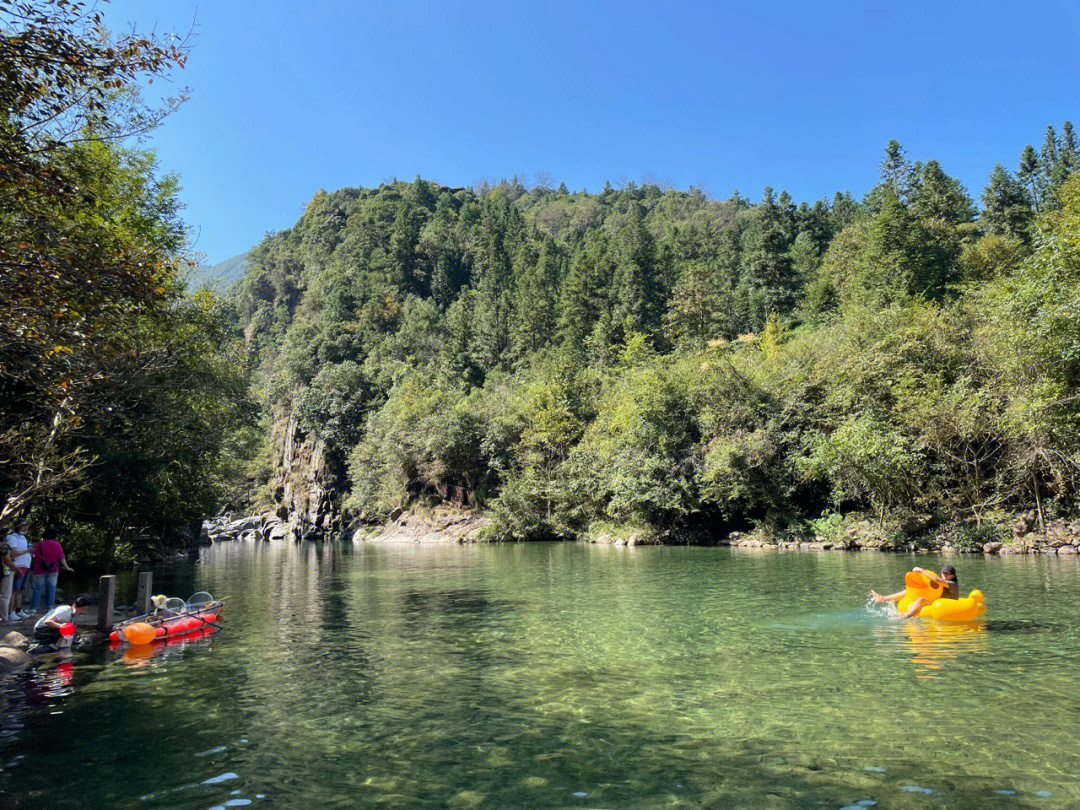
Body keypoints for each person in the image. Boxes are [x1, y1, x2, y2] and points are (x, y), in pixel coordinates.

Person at [871, 565, 960, 619]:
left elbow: (936, 579)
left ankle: (906, 616)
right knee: (910, 591)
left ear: (953, 575)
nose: (944, 575)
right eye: (943, 573)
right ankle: (883, 598)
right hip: (939, 603)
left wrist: (921, 570)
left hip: (948, 606)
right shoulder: (943, 582)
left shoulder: (952, 583)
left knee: (921, 599)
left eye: (947, 574)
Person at [30, 526, 73, 612]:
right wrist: (67, 567)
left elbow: (33, 555)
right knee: (51, 588)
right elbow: (61, 557)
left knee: (37, 588)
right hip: (53, 569)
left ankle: (34, 608)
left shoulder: (39, 545)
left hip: (39, 569)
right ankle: (49, 607)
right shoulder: (57, 545)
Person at [5, 518, 32, 619]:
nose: (26, 527)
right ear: (18, 527)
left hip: (25, 566)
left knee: (20, 590)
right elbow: (14, 553)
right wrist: (27, 550)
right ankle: (10, 612)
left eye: (26, 525)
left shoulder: (23, 537)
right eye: (23, 525)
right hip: (18, 566)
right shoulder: (13, 537)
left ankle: (18, 610)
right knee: (14, 590)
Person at [0, 539, 14, 623]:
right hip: (5, 572)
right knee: (5, 596)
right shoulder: (4, 547)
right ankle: (4, 617)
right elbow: (8, 560)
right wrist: (17, 569)